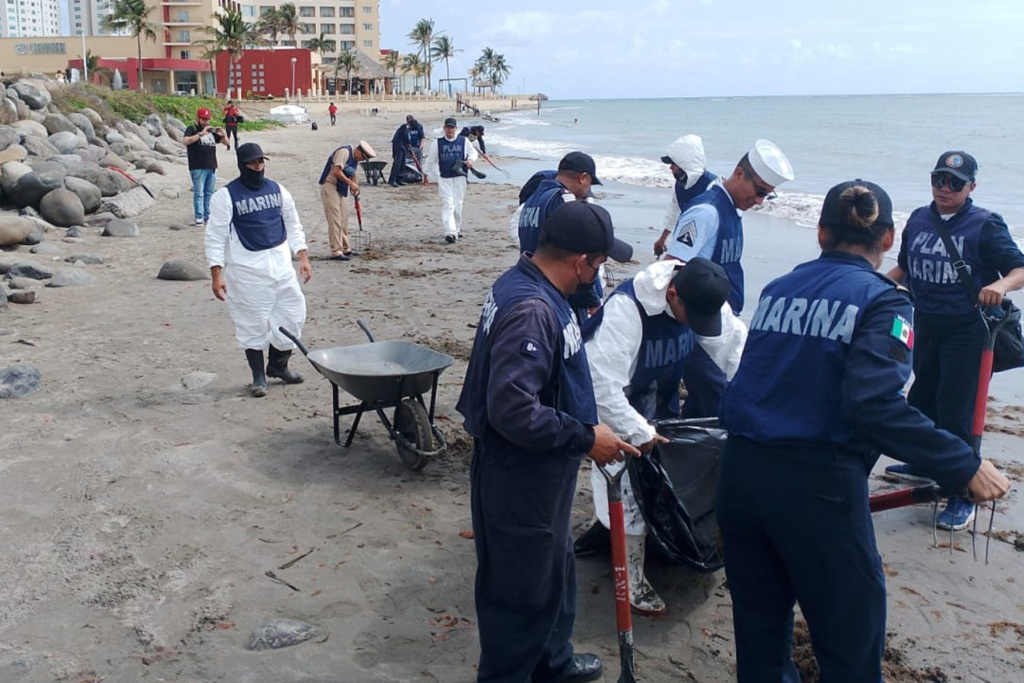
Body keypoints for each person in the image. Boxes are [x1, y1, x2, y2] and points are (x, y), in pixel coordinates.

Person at [716, 180, 1010, 682]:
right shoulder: (885, 302)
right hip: (818, 491)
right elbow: (873, 404)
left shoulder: (778, 288)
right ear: (889, 238)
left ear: (820, 232)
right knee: (851, 647)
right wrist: (963, 463)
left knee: (760, 640)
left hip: (740, 477)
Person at [457, 201, 638, 683]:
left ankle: (553, 664)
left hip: (544, 469)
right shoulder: (532, 310)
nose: (598, 276)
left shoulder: (531, 283)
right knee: (519, 597)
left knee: (554, 572)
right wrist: (586, 437)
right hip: (519, 478)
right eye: (599, 266)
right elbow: (512, 409)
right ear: (579, 263)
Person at [582, 257, 745, 614]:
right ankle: (631, 576)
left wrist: (750, 399)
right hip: (616, 406)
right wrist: (638, 430)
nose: (695, 326)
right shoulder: (628, 310)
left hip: (659, 398)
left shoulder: (702, 295)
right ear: (672, 294)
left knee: (656, 486)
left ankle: (615, 533)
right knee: (626, 489)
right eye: (692, 317)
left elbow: (732, 350)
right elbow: (600, 386)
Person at [884, 151, 1024, 530]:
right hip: (925, 324)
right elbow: (905, 268)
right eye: (939, 179)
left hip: (969, 330)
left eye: (955, 183)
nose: (944, 188)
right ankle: (925, 462)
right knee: (923, 398)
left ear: (971, 187)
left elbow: (1019, 268)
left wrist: (999, 286)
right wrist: (873, 286)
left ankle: (963, 492)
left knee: (957, 411)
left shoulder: (985, 225)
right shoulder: (919, 219)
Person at [666, 139, 793, 419]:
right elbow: (670, 267)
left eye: (767, 195)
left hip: (723, 322)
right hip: (701, 329)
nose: (759, 201)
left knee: (705, 406)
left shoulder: (732, 210)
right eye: (759, 191)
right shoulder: (706, 212)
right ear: (738, 174)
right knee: (718, 401)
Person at [204, 143, 313, 398]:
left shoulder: (278, 190)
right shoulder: (225, 197)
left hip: (282, 267)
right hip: (247, 271)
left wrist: (303, 256)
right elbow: (215, 237)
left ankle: (278, 365)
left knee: (293, 315)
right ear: (242, 165)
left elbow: (293, 224)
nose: (258, 167)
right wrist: (216, 275)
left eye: (261, 162)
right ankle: (258, 377)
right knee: (251, 323)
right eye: (253, 163)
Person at [517, 152, 603, 317]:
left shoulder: (534, 199)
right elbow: (580, 251)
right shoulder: (563, 201)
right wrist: (593, 301)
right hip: (557, 291)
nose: (588, 190)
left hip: (531, 284)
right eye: (590, 183)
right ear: (583, 178)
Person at [653, 135, 717, 258]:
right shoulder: (679, 187)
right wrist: (662, 239)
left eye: (673, 163)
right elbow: (674, 212)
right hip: (686, 243)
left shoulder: (713, 186)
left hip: (707, 249)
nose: (670, 167)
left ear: (684, 164)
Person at [317, 140, 376, 261]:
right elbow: (337, 171)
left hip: (341, 189)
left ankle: (345, 248)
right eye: (363, 158)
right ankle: (336, 251)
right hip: (330, 185)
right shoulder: (344, 152)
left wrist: (356, 193)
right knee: (335, 219)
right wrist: (350, 183)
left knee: (344, 219)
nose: (362, 161)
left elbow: (353, 174)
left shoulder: (355, 160)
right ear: (359, 151)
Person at [425, 117, 478, 244]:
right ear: (444, 129)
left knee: (458, 205)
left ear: (456, 129)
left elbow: (473, 153)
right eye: (448, 127)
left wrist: (471, 160)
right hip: (445, 178)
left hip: (460, 178)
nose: (450, 130)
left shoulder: (464, 141)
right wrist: (426, 173)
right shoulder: (437, 143)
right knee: (448, 204)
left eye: (452, 127)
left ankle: (456, 228)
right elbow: (431, 160)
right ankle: (450, 232)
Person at [184, 107, 230, 226]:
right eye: (203, 119)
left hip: (211, 166)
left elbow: (227, 143)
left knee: (209, 193)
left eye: (207, 119)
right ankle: (199, 217)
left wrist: (223, 134)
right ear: (198, 118)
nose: (206, 122)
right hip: (197, 166)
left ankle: (208, 216)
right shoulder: (192, 129)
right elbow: (186, 141)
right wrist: (201, 134)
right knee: (199, 193)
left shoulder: (211, 132)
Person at [387, 120, 410, 187]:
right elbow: (406, 137)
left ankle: (399, 179)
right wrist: (409, 143)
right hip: (398, 146)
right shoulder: (405, 127)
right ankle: (392, 180)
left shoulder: (406, 127)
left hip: (402, 146)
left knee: (402, 163)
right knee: (397, 163)